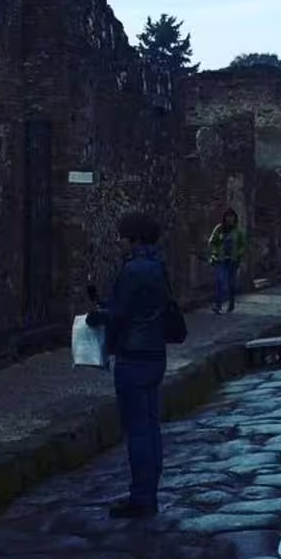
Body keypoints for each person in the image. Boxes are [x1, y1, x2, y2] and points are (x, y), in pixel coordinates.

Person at [87, 211, 173, 518]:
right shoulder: (158, 266)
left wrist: (95, 316)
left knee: (137, 431)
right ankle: (149, 493)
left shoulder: (132, 270)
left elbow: (120, 313)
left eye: (122, 237)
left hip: (133, 357)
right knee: (150, 428)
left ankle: (141, 498)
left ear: (134, 239)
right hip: (155, 355)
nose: (119, 242)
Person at [207, 207, 245, 315]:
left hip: (233, 260)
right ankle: (218, 305)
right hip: (220, 259)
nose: (230, 219)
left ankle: (231, 303)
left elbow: (243, 245)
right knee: (220, 281)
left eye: (232, 217)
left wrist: (238, 254)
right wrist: (215, 252)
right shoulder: (219, 228)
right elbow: (211, 242)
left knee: (231, 283)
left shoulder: (238, 231)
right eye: (228, 217)